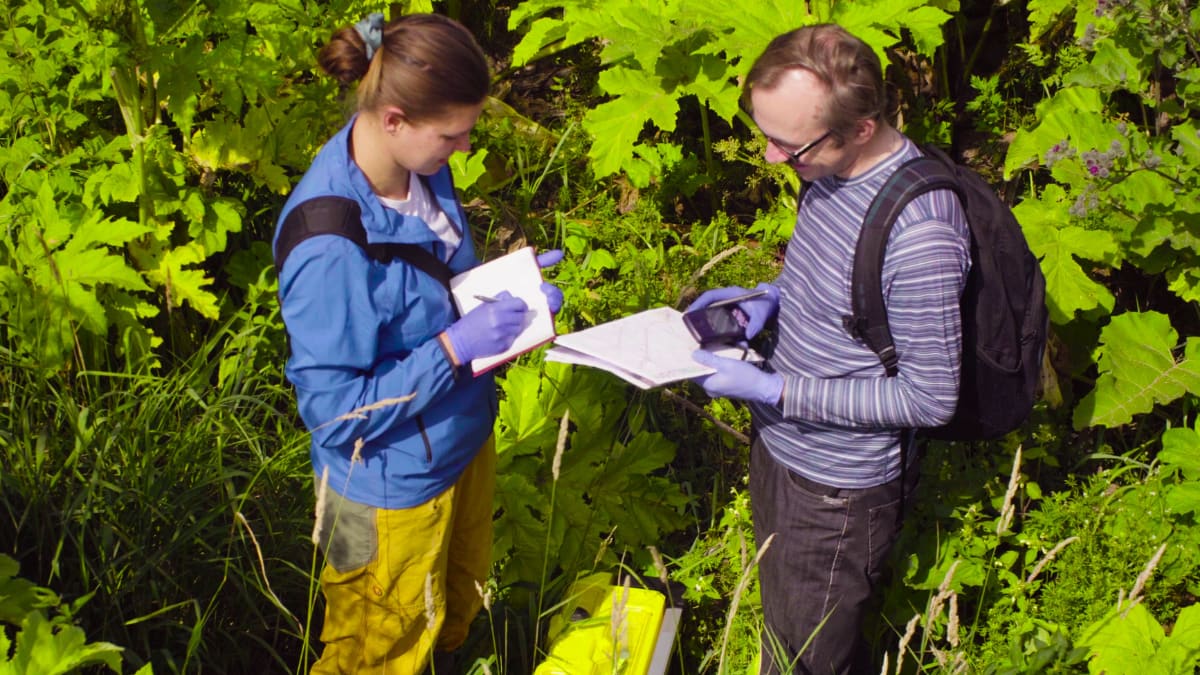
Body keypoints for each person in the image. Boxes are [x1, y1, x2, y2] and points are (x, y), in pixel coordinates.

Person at [273, 12, 562, 674]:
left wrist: (504, 290)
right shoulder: (327, 245)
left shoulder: (420, 168)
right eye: (452, 134)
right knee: (368, 650)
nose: (463, 148)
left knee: (447, 616)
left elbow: (432, 286)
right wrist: (454, 351)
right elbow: (334, 413)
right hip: (378, 490)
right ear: (395, 118)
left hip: (456, 443)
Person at [688, 24, 971, 675]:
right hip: (782, 449)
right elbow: (839, 286)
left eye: (787, 144)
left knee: (806, 660)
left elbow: (929, 398)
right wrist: (768, 297)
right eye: (764, 133)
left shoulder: (922, 237)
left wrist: (776, 389)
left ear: (863, 127)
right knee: (785, 627)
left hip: (838, 491)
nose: (768, 157)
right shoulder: (830, 168)